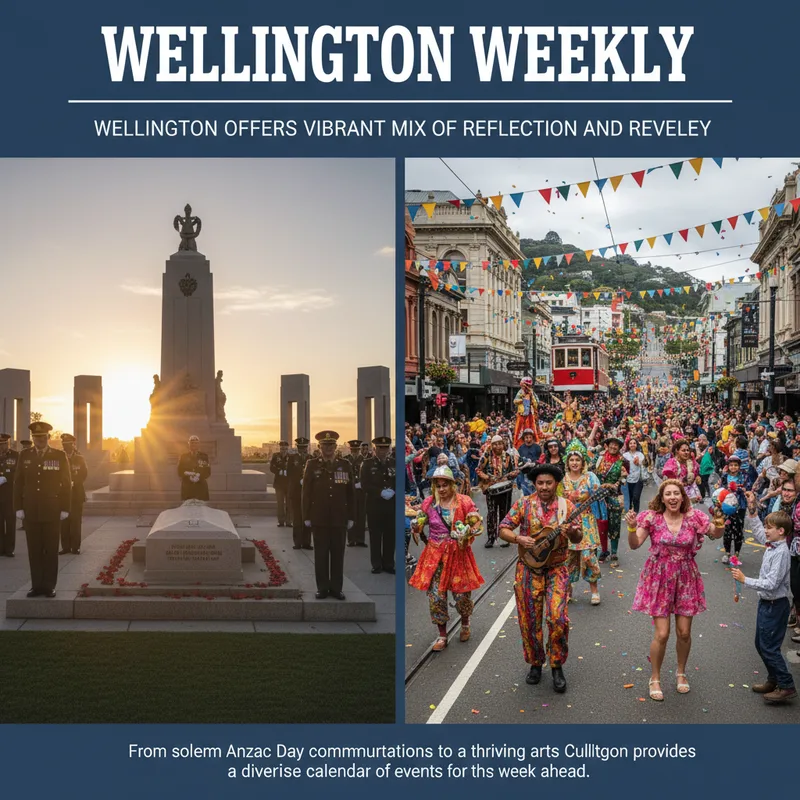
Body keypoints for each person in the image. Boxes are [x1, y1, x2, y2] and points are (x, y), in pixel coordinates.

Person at [627, 479, 725, 701]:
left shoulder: (694, 517)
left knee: (684, 632)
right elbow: (634, 544)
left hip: (685, 577)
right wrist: (632, 527)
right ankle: (655, 678)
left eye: (676, 493)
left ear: (683, 497)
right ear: (662, 498)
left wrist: (720, 520)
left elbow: (715, 533)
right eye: (668, 494)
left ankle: (681, 673)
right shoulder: (652, 518)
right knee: (662, 633)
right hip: (659, 577)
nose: (672, 497)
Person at [498, 463, 583, 693]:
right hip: (528, 568)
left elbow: (578, 538)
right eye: (540, 483)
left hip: (557, 568)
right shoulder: (524, 504)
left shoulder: (567, 506)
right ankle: (535, 663)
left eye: (548, 483)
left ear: (556, 484)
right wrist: (518, 539)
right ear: (534, 484)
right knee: (529, 620)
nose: (544, 487)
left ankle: (556, 664)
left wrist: (572, 532)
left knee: (557, 618)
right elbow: (503, 528)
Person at [409, 465, 484, 651]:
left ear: (452, 485)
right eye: (438, 485)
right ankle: (442, 635)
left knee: (461, 595)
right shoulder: (429, 503)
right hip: (435, 556)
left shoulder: (464, 502)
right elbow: (420, 522)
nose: (441, 489)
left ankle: (465, 623)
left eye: (445, 485)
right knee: (436, 597)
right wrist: (416, 525)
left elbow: (476, 523)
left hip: (458, 554)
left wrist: (469, 530)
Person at [731, 497, 796, 704]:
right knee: (761, 644)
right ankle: (773, 679)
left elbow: (772, 584)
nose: (766, 531)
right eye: (767, 527)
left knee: (769, 647)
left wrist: (745, 580)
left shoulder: (781, 553)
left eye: (770, 528)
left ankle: (786, 685)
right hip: (766, 604)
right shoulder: (772, 544)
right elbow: (759, 532)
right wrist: (752, 512)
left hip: (776, 606)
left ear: (781, 531)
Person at [13, 421, 71, 598]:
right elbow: (18, 482)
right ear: (33, 438)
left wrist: (65, 507)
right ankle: (36, 585)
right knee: (34, 550)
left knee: (51, 550)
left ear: (48, 437)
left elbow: (66, 483)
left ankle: (49, 586)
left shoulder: (59, 455)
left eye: (43, 437)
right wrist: (18, 507)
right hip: (31, 510)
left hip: (52, 509)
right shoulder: (25, 455)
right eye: (36, 437)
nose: (39, 440)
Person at [302, 431, 354, 600]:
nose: (328, 448)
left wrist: (351, 516)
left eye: (331, 445)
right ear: (319, 447)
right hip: (319, 517)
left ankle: (337, 588)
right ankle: (323, 588)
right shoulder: (312, 465)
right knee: (321, 555)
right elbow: (306, 492)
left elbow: (350, 493)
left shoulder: (345, 465)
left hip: (339, 517)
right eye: (325, 445)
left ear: (336, 446)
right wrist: (306, 516)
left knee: (338, 555)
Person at [559, 441, 602, 605]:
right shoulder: (562, 480)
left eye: (577, 459)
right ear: (567, 462)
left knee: (588, 556)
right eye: (572, 460)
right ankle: (568, 591)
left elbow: (600, 494)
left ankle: (594, 591)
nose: (574, 463)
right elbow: (557, 502)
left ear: (583, 461)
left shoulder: (590, 477)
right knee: (569, 558)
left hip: (586, 522)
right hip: (569, 523)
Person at [360, 436, 396, 575]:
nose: (383, 450)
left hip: (390, 504)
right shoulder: (367, 464)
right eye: (380, 448)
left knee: (390, 535)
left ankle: (388, 563)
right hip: (374, 504)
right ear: (375, 449)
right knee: (375, 535)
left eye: (385, 447)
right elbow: (365, 484)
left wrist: (393, 490)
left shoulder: (394, 463)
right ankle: (376, 564)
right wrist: (379, 492)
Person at [476, 435, 518, 548]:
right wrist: (488, 478)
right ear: (491, 445)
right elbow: (478, 470)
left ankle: (505, 537)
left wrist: (511, 475)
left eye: (500, 444)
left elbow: (515, 470)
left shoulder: (508, 456)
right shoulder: (486, 457)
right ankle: (491, 538)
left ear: (503, 445)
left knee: (505, 513)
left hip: (506, 490)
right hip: (491, 489)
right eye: (495, 444)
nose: (498, 446)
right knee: (491, 513)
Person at [594, 436, 628, 567]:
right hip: (599, 496)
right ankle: (603, 550)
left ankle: (614, 552)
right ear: (607, 446)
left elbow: (624, 478)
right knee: (601, 523)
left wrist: (617, 484)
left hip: (614, 496)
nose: (613, 447)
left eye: (616, 445)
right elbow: (590, 471)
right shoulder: (599, 458)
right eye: (611, 444)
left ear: (619, 448)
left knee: (614, 524)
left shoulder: (622, 461)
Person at [58, 433, 88, 555]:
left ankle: (75, 547)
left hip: (76, 494)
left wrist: (75, 482)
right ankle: (65, 547)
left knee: (75, 522)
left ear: (73, 445)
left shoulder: (79, 458)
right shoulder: (59, 457)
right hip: (62, 494)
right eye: (64, 445)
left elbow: (84, 473)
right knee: (64, 522)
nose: (66, 447)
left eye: (68, 444)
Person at [287, 437, 313, 551]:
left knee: (307, 517)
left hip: (308, 493)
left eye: (304, 448)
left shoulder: (311, 458)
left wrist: (306, 481)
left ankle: (306, 542)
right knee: (297, 518)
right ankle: (297, 542)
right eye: (301, 448)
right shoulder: (292, 458)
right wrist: (298, 480)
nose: (303, 450)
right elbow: (289, 473)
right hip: (296, 492)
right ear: (297, 448)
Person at [344, 439, 367, 547]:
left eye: (356, 450)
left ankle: (360, 539)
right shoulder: (346, 460)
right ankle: (351, 540)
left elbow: (367, 475)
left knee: (361, 515)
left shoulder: (365, 460)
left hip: (361, 491)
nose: (355, 452)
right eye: (353, 450)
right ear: (350, 449)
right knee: (351, 515)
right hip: (350, 491)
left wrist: (362, 483)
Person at [0, 433, 19, 556]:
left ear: (7, 443)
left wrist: (7, 478)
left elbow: (19, 473)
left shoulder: (15, 455)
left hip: (10, 494)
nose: (1, 447)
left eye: (3, 444)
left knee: (10, 522)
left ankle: (9, 548)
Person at [177, 435, 211, 501]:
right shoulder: (183, 457)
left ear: (199, 444)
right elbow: (179, 471)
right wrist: (188, 474)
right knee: (187, 506)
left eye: (196, 443)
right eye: (192, 443)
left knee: (201, 507)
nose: (194, 445)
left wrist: (199, 476)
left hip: (201, 488)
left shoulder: (204, 456)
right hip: (187, 488)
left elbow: (207, 472)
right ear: (189, 444)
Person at [513, 377, 541, 448]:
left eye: (527, 385)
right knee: (518, 429)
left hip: (530, 414)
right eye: (524, 385)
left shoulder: (532, 393)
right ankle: (516, 444)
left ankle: (535, 442)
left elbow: (536, 403)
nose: (525, 387)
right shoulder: (520, 392)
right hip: (521, 414)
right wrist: (522, 399)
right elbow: (515, 401)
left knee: (532, 428)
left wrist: (531, 397)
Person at [269, 441, 291, 527]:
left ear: (287, 449)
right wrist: (279, 471)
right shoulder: (275, 456)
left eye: (285, 449)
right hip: (279, 484)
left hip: (288, 483)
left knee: (289, 503)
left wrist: (288, 472)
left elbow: (294, 468)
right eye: (282, 449)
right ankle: (281, 521)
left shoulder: (291, 457)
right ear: (280, 448)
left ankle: (289, 521)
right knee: (280, 503)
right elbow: (271, 467)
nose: (283, 451)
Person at [622, 438, 645, 514]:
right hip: (627, 480)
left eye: (634, 443)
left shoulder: (640, 454)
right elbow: (622, 468)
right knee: (628, 498)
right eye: (630, 443)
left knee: (636, 497)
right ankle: (629, 514)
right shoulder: (624, 455)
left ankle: (636, 513)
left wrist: (638, 462)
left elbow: (644, 465)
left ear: (636, 445)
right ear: (628, 445)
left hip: (638, 479)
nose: (632, 445)